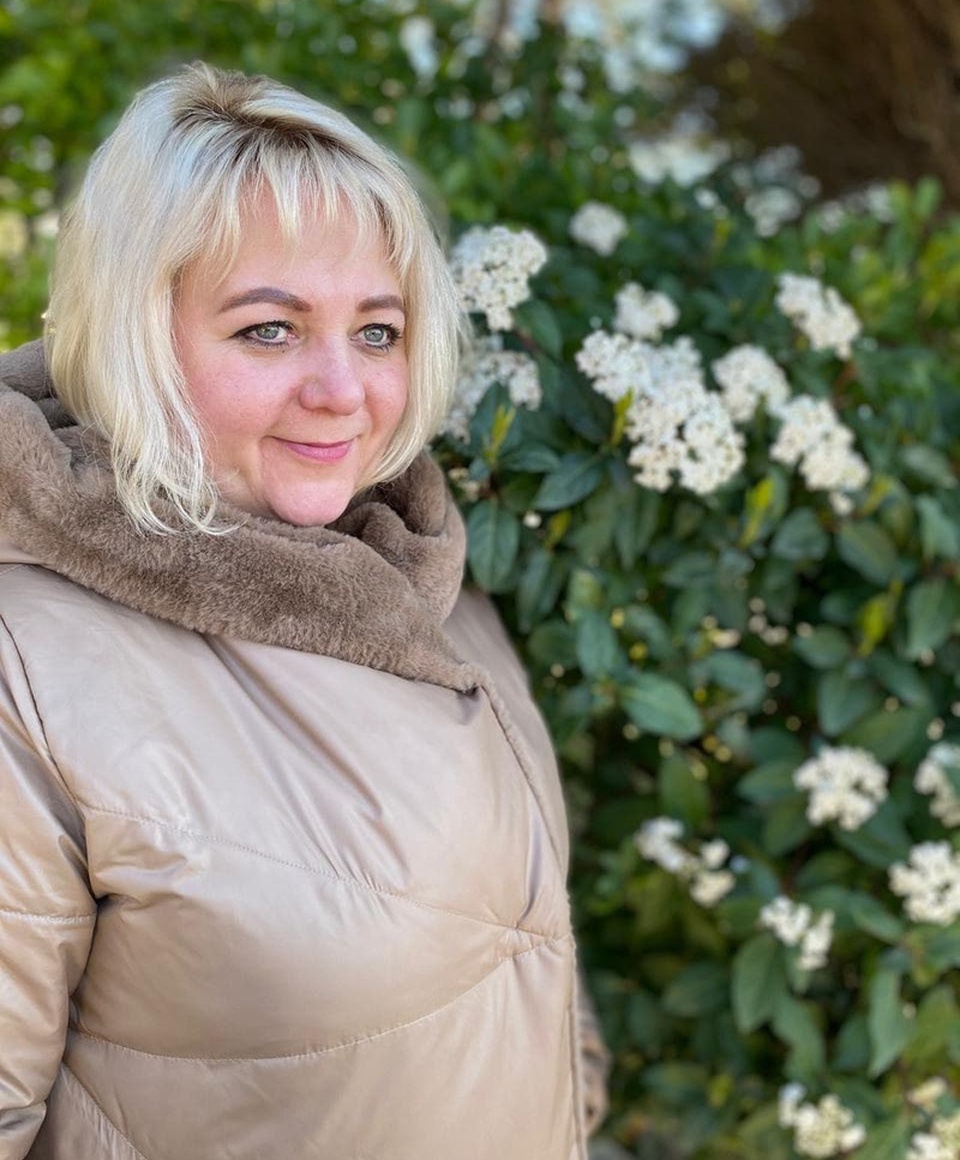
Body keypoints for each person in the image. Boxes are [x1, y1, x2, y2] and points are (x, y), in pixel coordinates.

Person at [0, 62, 608, 1160]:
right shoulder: (24, 661)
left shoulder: (417, 566)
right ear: (135, 337)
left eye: (376, 331)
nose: (343, 391)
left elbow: (521, 942)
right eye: (269, 330)